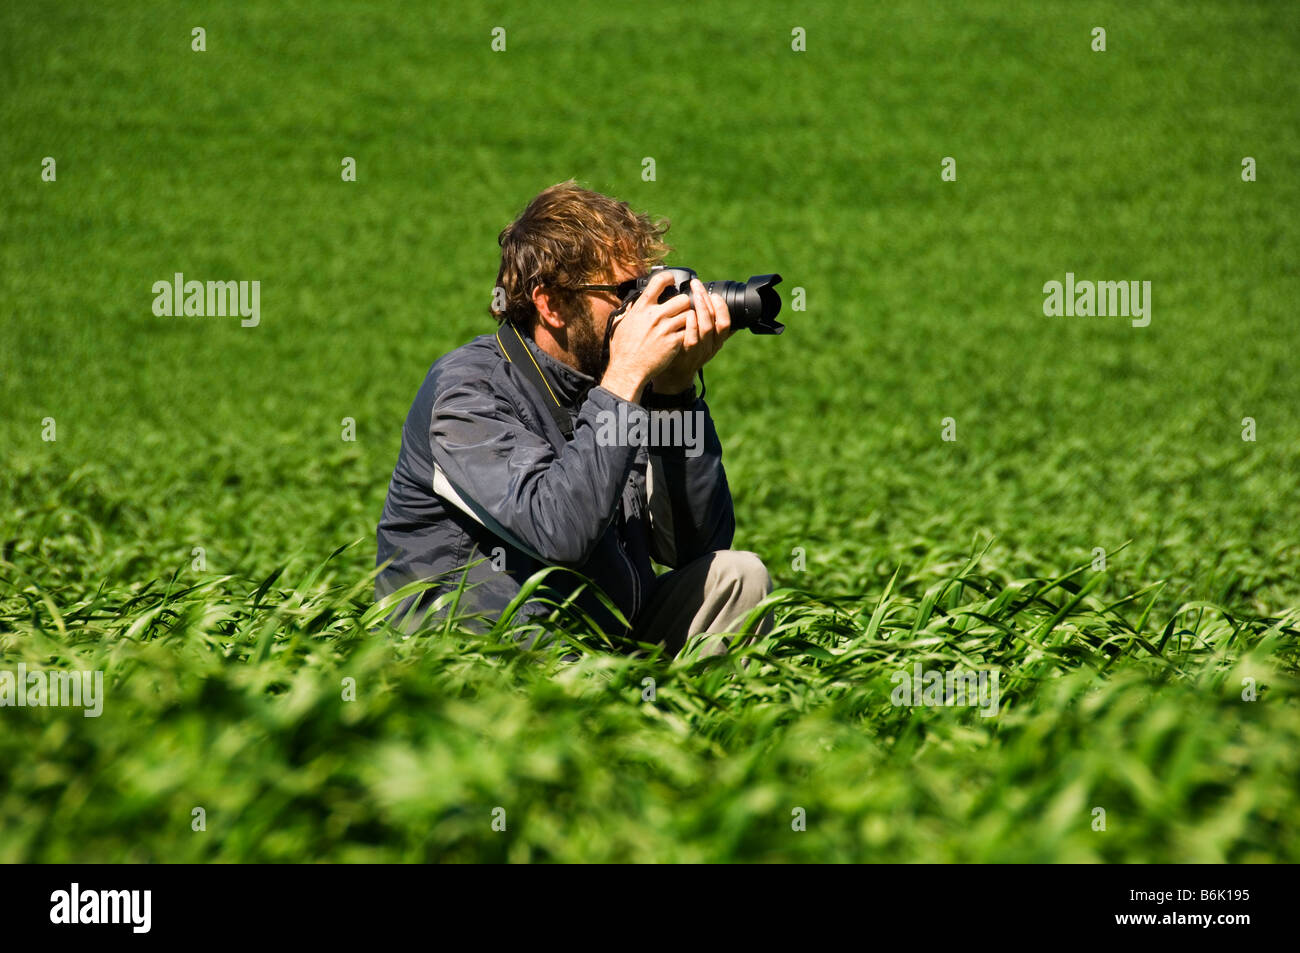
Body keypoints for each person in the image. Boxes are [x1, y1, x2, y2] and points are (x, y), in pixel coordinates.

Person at [375, 180, 771, 658]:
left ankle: (687, 727)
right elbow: (558, 532)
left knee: (738, 576)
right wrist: (624, 380)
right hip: (480, 661)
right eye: (625, 292)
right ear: (551, 304)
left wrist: (674, 394)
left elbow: (691, 546)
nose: (642, 310)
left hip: (603, 646)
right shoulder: (467, 393)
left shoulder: (611, 386)